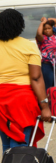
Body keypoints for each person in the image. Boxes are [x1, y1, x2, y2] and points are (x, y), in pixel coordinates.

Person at [0, 9, 51, 153]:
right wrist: (45, 106)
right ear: (20, 25)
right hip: (22, 102)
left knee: (6, 145)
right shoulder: (29, 46)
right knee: (20, 146)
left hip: (1, 102)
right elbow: (36, 77)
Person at [36, 17, 56, 90]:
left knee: (55, 87)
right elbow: (39, 33)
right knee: (48, 87)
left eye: (49, 28)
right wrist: (42, 23)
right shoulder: (42, 38)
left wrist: (46, 20)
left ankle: (54, 101)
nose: (47, 30)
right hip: (47, 65)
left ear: (52, 28)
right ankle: (46, 101)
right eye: (45, 29)